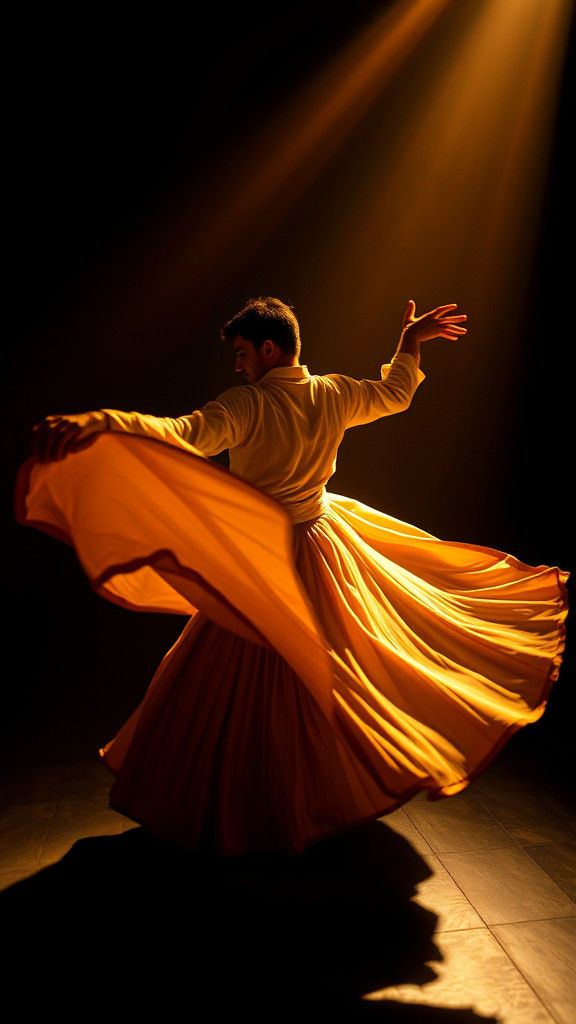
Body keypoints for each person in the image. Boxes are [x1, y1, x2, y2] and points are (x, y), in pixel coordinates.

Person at [20, 297, 568, 856]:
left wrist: (99, 423)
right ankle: (303, 792)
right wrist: (409, 344)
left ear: (267, 349)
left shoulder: (250, 404)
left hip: (272, 555)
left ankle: (263, 803)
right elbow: (395, 395)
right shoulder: (331, 392)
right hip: (322, 540)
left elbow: (180, 432)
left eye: (241, 354)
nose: (238, 366)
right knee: (322, 670)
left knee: (254, 674)